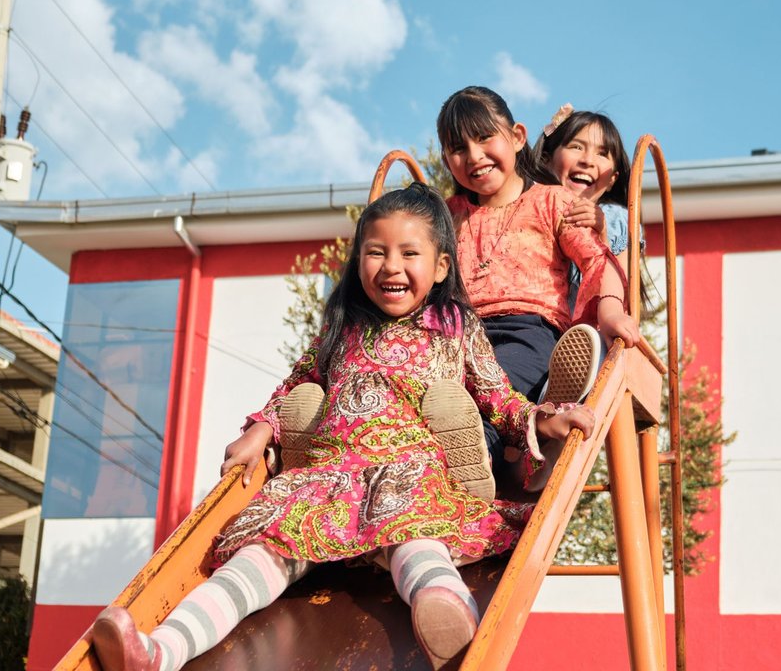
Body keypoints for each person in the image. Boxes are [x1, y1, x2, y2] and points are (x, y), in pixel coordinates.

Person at [87, 184, 595, 671]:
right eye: (376, 252)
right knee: (259, 555)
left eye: (408, 254)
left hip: (408, 471)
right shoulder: (343, 329)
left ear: (441, 266)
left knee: (416, 544)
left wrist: (545, 419)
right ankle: (159, 652)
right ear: (359, 262)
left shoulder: (456, 328)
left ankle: (447, 610)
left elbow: (497, 396)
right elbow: (297, 380)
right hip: (328, 477)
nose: (391, 266)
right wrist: (262, 429)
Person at [435, 86, 640, 488]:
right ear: (446, 159)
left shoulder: (552, 201)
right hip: (456, 338)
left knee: (485, 389)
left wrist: (612, 309)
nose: (474, 156)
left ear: (516, 137)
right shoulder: (445, 217)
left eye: (484, 138)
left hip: (526, 330)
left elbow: (598, 258)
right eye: (458, 148)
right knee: (431, 394)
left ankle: (479, 468)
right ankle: (516, 459)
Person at [534, 105, 644, 311]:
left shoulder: (618, 221)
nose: (587, 161)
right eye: (576, 147)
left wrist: (601, 236)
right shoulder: (528, 207)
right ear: (546, 160)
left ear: (612, 179)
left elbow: (626, 300)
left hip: (592, 331)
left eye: (602, 153)